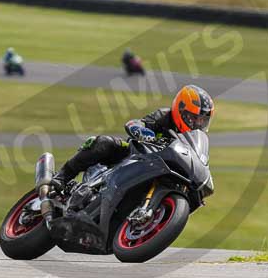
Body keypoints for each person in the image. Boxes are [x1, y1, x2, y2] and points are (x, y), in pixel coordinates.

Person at [52, 84, 215, 196]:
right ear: (181, 110)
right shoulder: (164, 117)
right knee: (104, 143)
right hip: (135, 156)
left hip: (161, 170)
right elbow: (135, 124)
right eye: (194, 118)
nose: (197, 124)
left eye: (202, 121)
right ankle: (63, 176)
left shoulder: (196, 139)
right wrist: (144, 133)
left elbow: (199, 159)